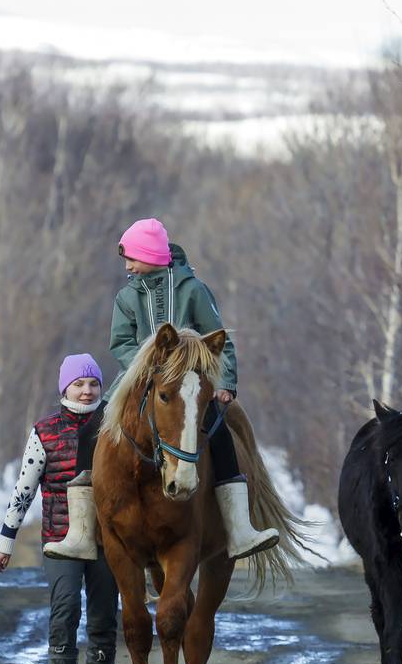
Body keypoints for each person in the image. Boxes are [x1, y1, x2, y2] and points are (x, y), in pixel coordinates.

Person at [44, 217, 277, 562]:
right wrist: (143, 367)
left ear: (152, 255)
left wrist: (226, 382)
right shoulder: (127, 296)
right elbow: (120, 342)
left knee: (223, 439)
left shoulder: (193, 290)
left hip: (189, 381)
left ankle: (239, 527)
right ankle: (79, 533)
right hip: (137, 379)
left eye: (132, 258)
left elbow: (219, 339)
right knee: (92, 433)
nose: (127, 266)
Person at [0, 354, 119, 664]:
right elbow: (24, 488)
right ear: (65, 387)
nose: (87, 391)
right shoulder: (45, 431)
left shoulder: (115, 425)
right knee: (64, 610)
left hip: (106, 541)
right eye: (79, 384)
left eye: (93, 383)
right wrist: (6, 538)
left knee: (103, 616)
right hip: (59, 539)